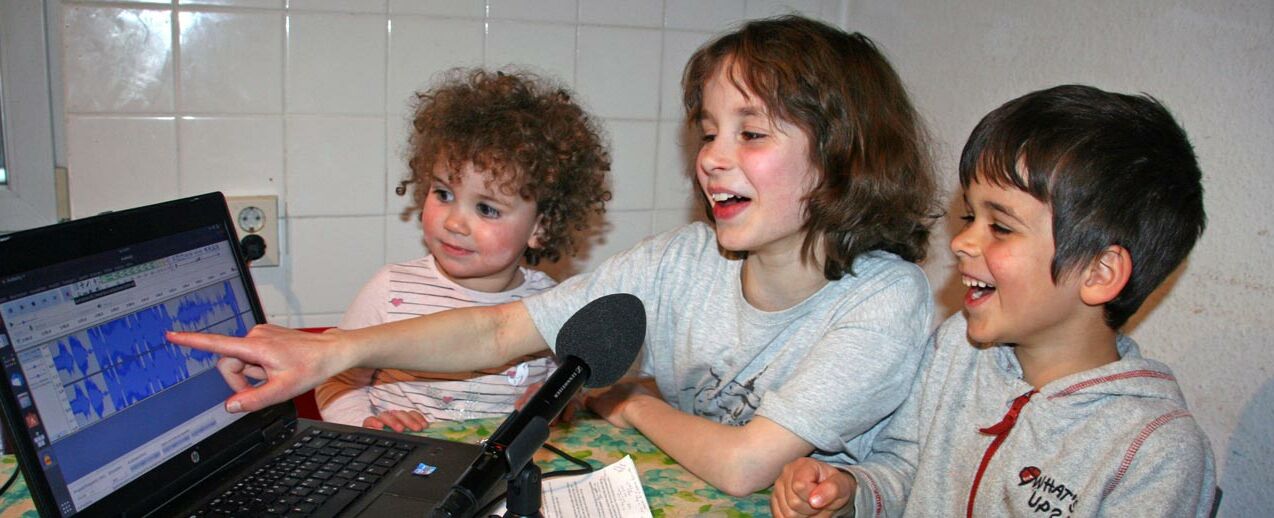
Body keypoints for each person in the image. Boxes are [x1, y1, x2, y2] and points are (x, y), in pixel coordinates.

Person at [168, 15, 938, 496]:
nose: (712, 157)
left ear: (842, 157)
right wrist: (328, 351)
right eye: (708, 130)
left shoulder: (884, 300)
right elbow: (501, 331)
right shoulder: (679, 262)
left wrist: (628, 399)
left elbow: (745, 467)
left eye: (752, 131)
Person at [770, 85, 1217, 517]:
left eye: (1000, 227)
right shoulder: (957, 351)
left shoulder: (1156, 450)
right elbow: (904, 470)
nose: (963, 241)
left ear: (1099, 274)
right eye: (969, 216)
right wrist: (853, 493)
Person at [314, 69, 611, 432]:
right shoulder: (391, 291)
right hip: (408, 468)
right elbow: (334, 382)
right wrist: (369, 423)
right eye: (443, 194)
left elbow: (573, 392)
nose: (454, 222)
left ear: (540, 227)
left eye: (486, 208)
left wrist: (555, 400)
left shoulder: (551, 303)